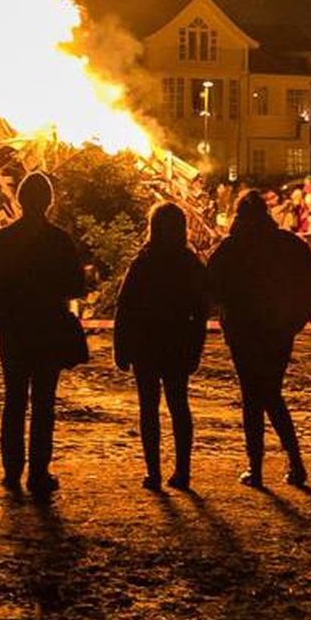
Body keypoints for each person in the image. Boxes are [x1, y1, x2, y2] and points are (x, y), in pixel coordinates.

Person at [0, 172, 87, 501]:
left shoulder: (1, 240)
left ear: (20, 200)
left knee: (14, 399)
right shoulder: (59, 241)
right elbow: (76, 287)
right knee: (43, 403)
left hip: (13, 331)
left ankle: (11, 471)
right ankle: (38, 473)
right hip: (48, 328)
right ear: (49, 202)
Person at [208, 189, 311, 488]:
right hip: (278, 330)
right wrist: (299, 318)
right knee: (270, 392)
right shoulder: (287, 244)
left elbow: (211, 287)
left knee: (255, 397)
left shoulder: (231, 248)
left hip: (244, 331)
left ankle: (259, 467)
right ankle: (293, 462)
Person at [113, 203, 210, 491]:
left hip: (146, 342)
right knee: (179, 405)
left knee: (149, 407)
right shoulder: (189, 263)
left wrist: (121, 346)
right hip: (178, 341)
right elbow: (202, 309)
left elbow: (125, 306)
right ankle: (182, 471)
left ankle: (153, 472)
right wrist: (196, 346)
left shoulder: (143, 262)